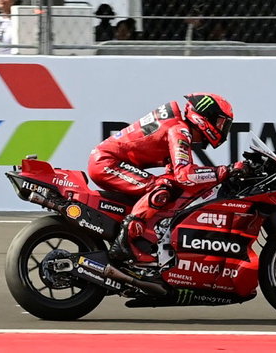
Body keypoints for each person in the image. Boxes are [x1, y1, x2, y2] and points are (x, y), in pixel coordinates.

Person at [87, 93, 236, 277]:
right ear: (205, 117)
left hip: (109, 161)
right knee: (163, 187)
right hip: (106, 163)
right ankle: (125, 243)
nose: (222, 129)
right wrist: (226, 171)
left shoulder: (178, 127)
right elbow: (185, 175)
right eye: (220, 123)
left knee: (170, 185)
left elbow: (177, 174)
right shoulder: (179, 130)